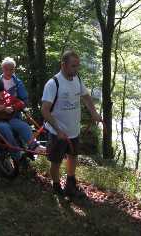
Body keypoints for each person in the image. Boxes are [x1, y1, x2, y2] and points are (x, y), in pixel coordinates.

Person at [41, 50, 102, 197]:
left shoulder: (77, 79)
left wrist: (94, 113)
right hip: (57, 132)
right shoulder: (53, 83)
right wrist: (58, 129)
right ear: (63, 65)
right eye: (73, 66)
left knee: (73, 156)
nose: (76, 69)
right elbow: (44, 110)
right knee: (56, 161)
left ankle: (70, 182)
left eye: (78, 66)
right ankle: (56, 187)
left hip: (74, 130)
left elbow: (86, 97)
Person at [0, 78, 43, 161]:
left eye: (0, 93)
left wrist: (12, 107)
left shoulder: (5, 95)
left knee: (23, 126)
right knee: (6, 129)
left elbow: (21, 103)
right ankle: (17, 155)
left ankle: (34, 146)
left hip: (9, 119)